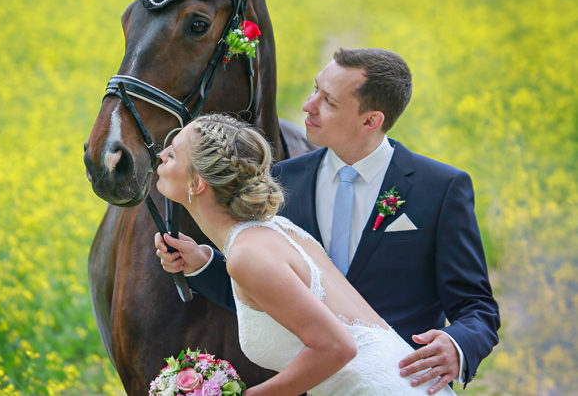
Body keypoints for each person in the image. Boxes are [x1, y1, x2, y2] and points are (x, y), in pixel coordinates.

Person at [155, 48, 499, 394]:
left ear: (371, 121)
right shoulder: (281, 181)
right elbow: (277, 300)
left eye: (328, 101)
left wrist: (457, 347)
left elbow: (477, 306)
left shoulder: (439, 189)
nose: (308, 105)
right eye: (314, 89)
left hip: (395, 381)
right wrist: (204, 265)